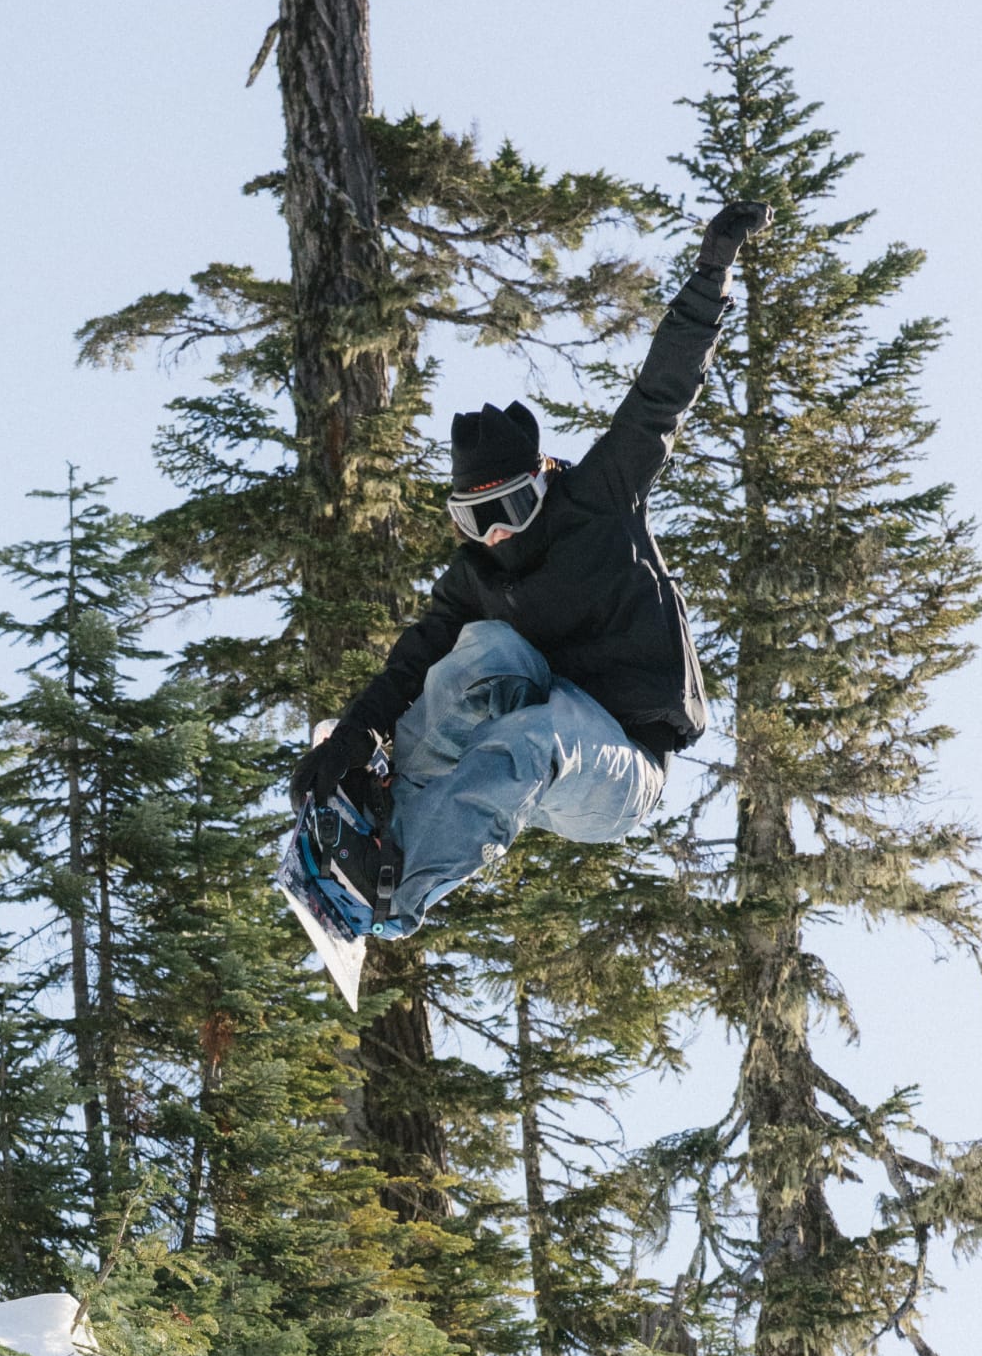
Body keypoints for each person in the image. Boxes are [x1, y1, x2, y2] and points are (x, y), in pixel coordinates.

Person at [289, 199, 771, 940]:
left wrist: (712, 273)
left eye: (509, 508)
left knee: (531, 739)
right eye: (473, 521)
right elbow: (411, 663)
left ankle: (392, 897)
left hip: (621, 765)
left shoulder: (601, 498)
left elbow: (660, 396)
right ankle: (384, 814)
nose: (497, 534)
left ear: (543, 480)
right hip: (545, 712)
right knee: (477, 652)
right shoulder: (475, 576)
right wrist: (355, 734)